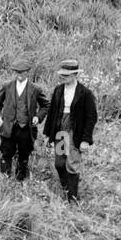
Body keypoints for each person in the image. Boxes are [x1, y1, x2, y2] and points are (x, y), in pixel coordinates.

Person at [43, 58, 98, 203]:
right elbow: (52, 112)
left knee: (72, 163)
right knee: (59, 163)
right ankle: (67, 188)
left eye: (66, 75)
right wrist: (48, 134)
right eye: (62, 75)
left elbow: (91, 117)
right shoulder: (58, 90)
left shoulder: (85, 93)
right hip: (60, 130)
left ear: (74, 75)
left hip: (75, 131)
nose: (62, 78)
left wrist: (86, 140)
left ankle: (72, 199)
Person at [0, 57, 49, 181]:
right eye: (17, 72)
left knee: (24, 153)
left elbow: (45, 105)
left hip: (26, 128)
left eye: (22, 72)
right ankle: (4, 177)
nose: (19, 75)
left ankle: (20, 178)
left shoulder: (35, 89)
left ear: (27, 72)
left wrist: (38, 118)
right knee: (6, 152)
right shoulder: (7, 86)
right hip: (8, 126)